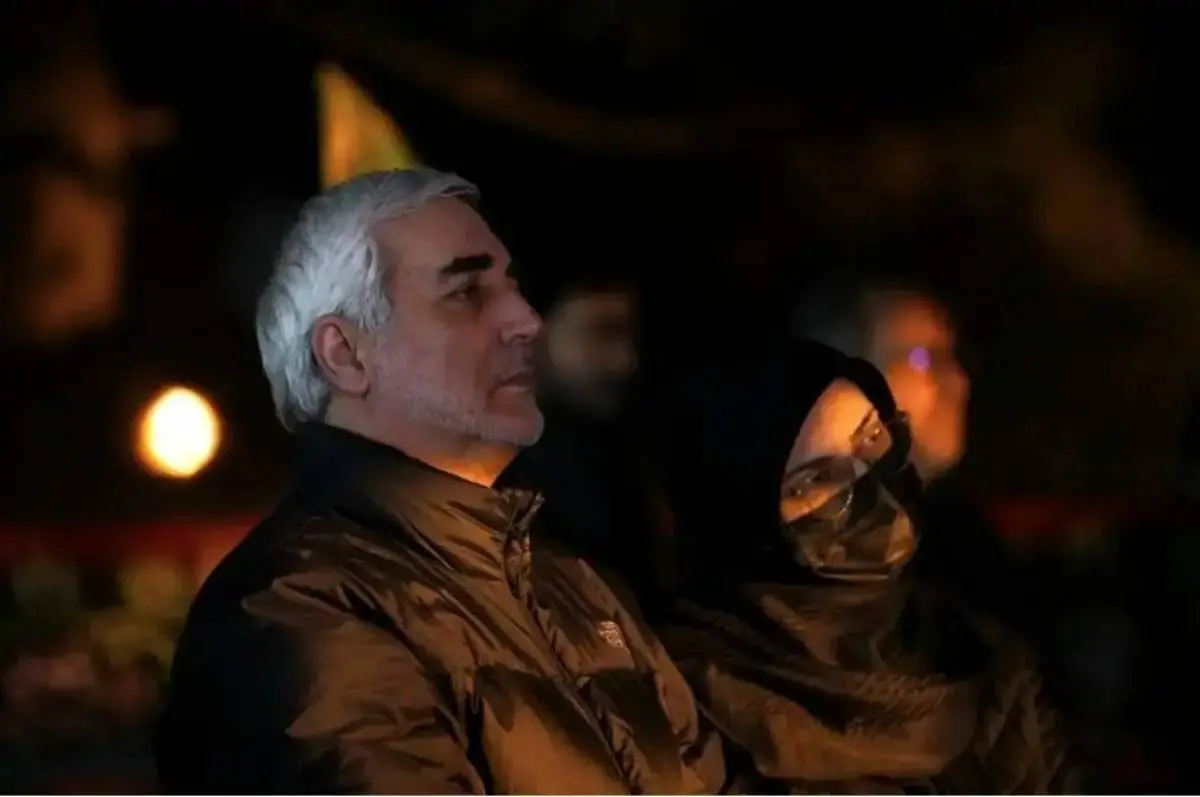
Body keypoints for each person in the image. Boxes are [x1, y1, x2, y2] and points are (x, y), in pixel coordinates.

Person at [154, 169, 723, 794]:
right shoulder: (299, 610)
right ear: (345, 353)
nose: (526, 321)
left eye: (512, 288)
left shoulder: (574, 584)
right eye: (466, 292)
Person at [658, 339, 1086, 793]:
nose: (868, 485)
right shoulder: (686, 706)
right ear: (747, 522)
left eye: (870, 438)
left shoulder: (983, 663)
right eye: (817, 479)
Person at [792, 267, 1038, 636]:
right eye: (924, 359)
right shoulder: (799, 572)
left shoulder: (965, 552)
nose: (959, 380)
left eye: (951, 357)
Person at [505, 263, 675, 616]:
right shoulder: (495, 471)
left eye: (630, 336)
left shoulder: (629, 451)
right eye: (601, 333)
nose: (625, 361)